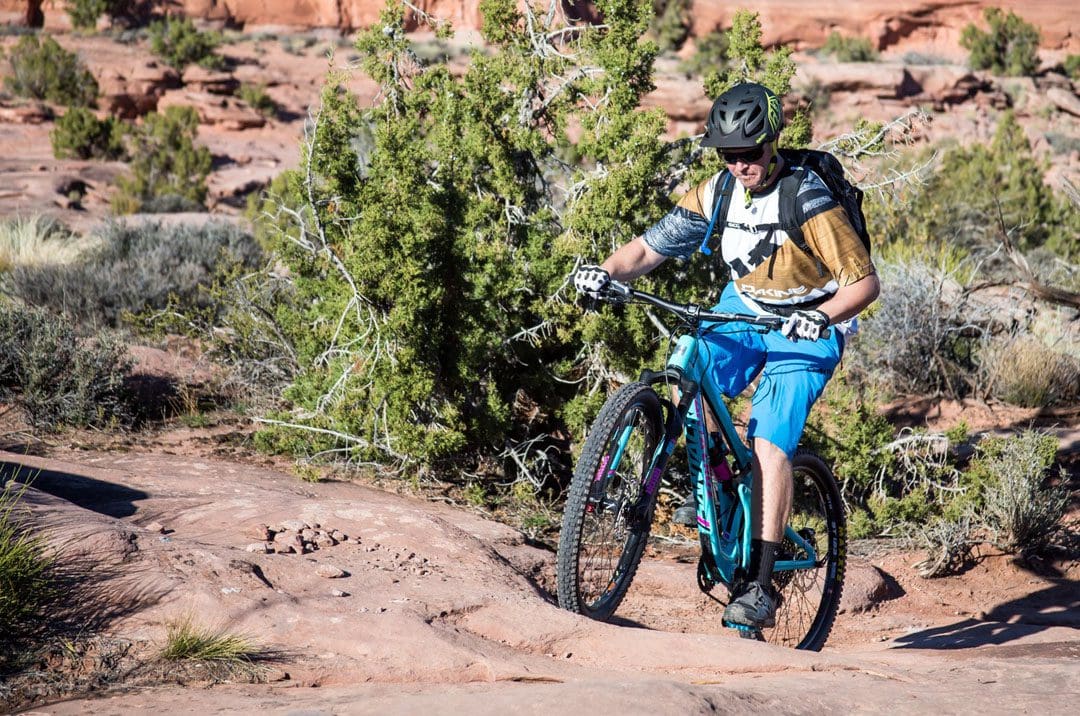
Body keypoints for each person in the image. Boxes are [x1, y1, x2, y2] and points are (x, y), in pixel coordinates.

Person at [571, 82, 879, 629]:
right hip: (745, 305)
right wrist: (605, 271)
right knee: (686, 364)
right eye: (729, 154)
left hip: (807, 321)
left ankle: (760, 585)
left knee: (768, 444)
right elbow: (647, 249)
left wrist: (821, 316)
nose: (741, 164)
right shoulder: (717, 192)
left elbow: (864, 284)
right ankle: (711, 483)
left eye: (751, 152)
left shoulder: (806, 197)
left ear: (772, 141)